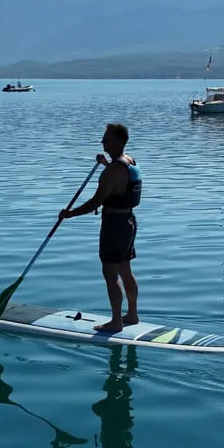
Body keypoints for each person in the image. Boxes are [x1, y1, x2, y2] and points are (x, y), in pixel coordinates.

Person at [59, 122, 141, 333]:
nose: (102, 141)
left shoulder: (114, 169)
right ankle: (132, 314)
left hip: (114, 225)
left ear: (118, 140)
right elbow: (120, 182)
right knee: (125, 269)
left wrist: (70, 214)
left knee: (110, 272)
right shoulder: (128, 161)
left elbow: (96, 202)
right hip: (129, 222)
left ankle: (116, 322)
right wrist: (105, 164)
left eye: (106, 137)